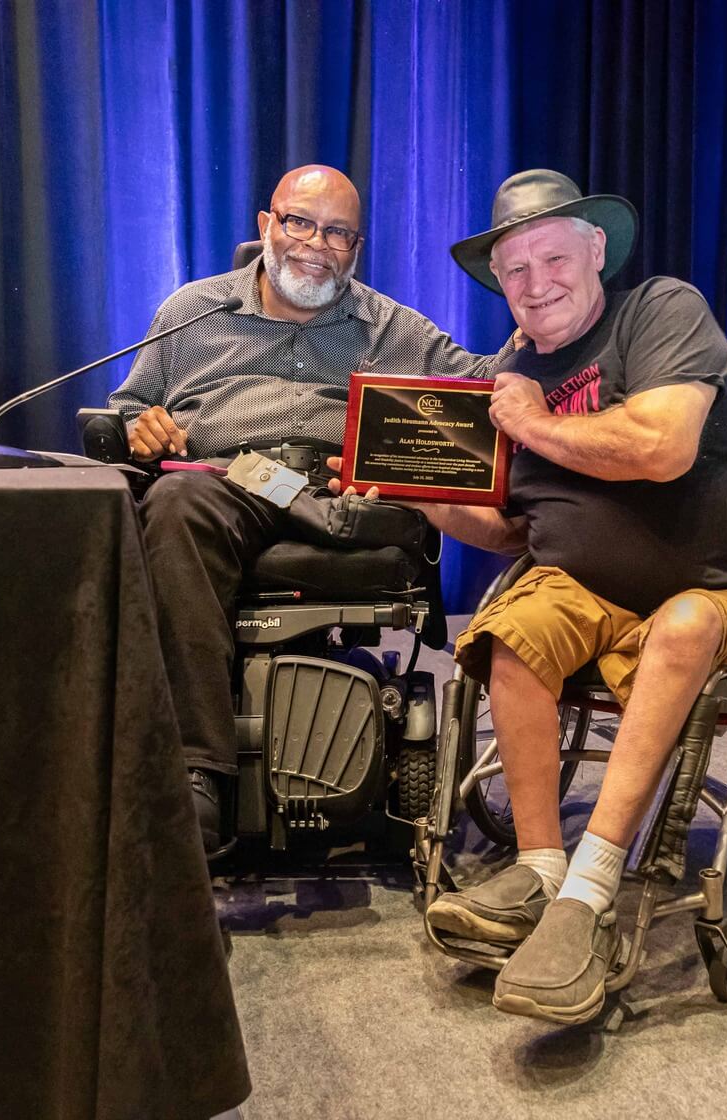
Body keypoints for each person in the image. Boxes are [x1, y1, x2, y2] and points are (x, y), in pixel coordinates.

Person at [417, 169, 727, 1025]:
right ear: (498, 284)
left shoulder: (659, 310)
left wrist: (533, 422)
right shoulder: (507, 370)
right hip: (581, 586)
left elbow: (659, 447)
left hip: (711, 582)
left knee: (686, 622)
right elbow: (509, 532)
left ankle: (589, 891)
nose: (536, 282)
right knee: (511, 625)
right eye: (514, 269)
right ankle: (540, 866)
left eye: (553, 257)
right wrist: (414, 489)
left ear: (596, 251)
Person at [109, 165, 490, 855]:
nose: (316, 243)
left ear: (357, 247)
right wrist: (142, 426)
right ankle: (198, 773)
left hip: (334, 494)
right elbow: (129, 410)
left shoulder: (391, 328)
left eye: (338, 232)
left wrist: (552, 346)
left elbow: (484, 387)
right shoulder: (193, 313)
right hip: (221, 482)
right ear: (266, 227)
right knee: (177, 499)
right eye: (299, 222)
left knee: (386, 506)